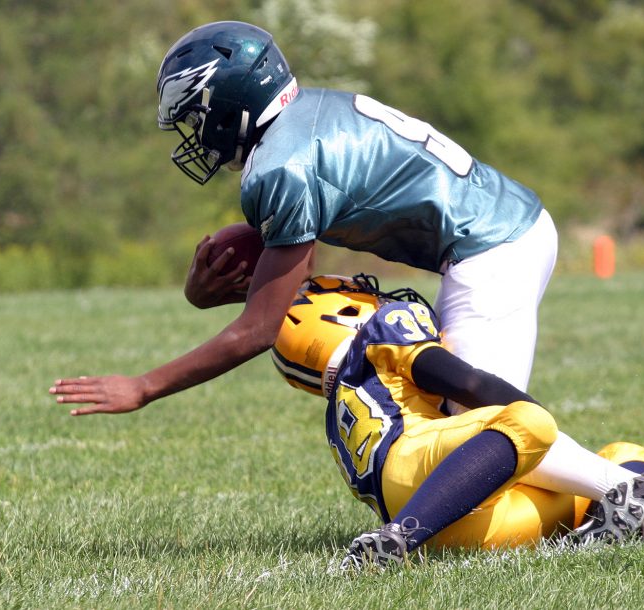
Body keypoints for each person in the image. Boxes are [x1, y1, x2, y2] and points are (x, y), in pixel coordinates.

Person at [49, 20, 557, 416]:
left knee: (479, 425)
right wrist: (209, 291)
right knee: (457, 413)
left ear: (229, 104)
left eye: (196, 116)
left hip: (492, 249)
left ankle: (617, 490)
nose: (197, 135)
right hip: (504, 233)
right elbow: (288, 277)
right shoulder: (304, 118)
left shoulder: (281, 165)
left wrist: (143, 386)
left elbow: (262, 328)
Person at [270, 274, 644, 570]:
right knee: (528, 422)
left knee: (629, 454)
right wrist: (539, 421)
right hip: (420, 470)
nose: (378, 300)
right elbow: (470, 383)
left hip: (456, 518)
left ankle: (608, 525)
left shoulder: (339, 414)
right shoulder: (383, 329)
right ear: (341, 312)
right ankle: (397, 541)